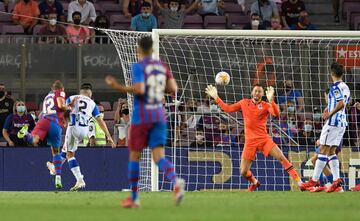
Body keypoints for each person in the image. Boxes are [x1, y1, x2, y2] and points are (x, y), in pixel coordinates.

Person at [105, 36, 185, 208]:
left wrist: (118, 87)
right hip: (159, 115)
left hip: (142, 116)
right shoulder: (162, 66)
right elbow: (173, 89)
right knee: (159, 157)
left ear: (139, 51)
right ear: (153, 50)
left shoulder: (139, 66)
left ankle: (134, 199)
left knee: (134, 156)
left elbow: (140, 88)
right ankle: (176, 182)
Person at [205, 84, 303, 191]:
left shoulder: (266, 105)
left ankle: (299, 182)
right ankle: (255, 182)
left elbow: (276, 114)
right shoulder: (244, 102)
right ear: (252, 92)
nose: (257, 93)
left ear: (262, 94)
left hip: (264, 139)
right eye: (255, 91)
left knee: (281, 157)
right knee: (243, 172)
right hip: (250, 142)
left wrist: (272, 100)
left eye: (259, 91)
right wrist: (216, 97)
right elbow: (228, 109)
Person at [47, 83, 115, 191]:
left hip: (73, 127)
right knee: (66, 151)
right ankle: (55, 168)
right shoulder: (92, 104)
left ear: (80, 91)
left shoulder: (72, 98)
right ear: (90, 93)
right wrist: (109, 136)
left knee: (70, 155)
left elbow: (60, 109)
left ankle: (80, 179)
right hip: (84, 131)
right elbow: (101, 122)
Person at [300, 62, 350, 192]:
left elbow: (340, 103)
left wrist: (329, 113)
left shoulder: (334, 87)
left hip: (333, 122)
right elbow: (345, 103)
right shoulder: (346, 87)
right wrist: (328, 107)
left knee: (323, 149)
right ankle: (336, 181)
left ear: (332, 74)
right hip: (342, 123)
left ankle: (314, 180)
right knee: (331, 151)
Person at [17, 80, 74, 189]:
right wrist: (69, 107)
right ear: (61, 88)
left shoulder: (47, 97)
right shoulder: (60, 92)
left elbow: (45, 111)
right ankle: (58, 177)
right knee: (55, 152)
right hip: (55, 123)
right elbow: (61, 106)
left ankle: (26, 133)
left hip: (44, 119)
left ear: (52, 88)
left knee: (33, 140)